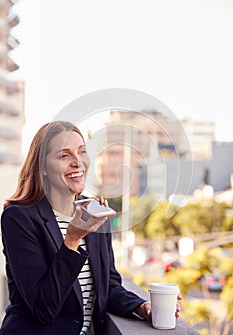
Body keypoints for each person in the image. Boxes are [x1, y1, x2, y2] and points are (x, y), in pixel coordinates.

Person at [0, 121, 181, 335]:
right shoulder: (19, 218)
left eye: (82, 152)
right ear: (43, 167)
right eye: (64, 155)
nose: (78, 162)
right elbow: (43, 308)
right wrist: (72, 241)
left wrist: (141, 307)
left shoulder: (95, 212)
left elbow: (109, 287)